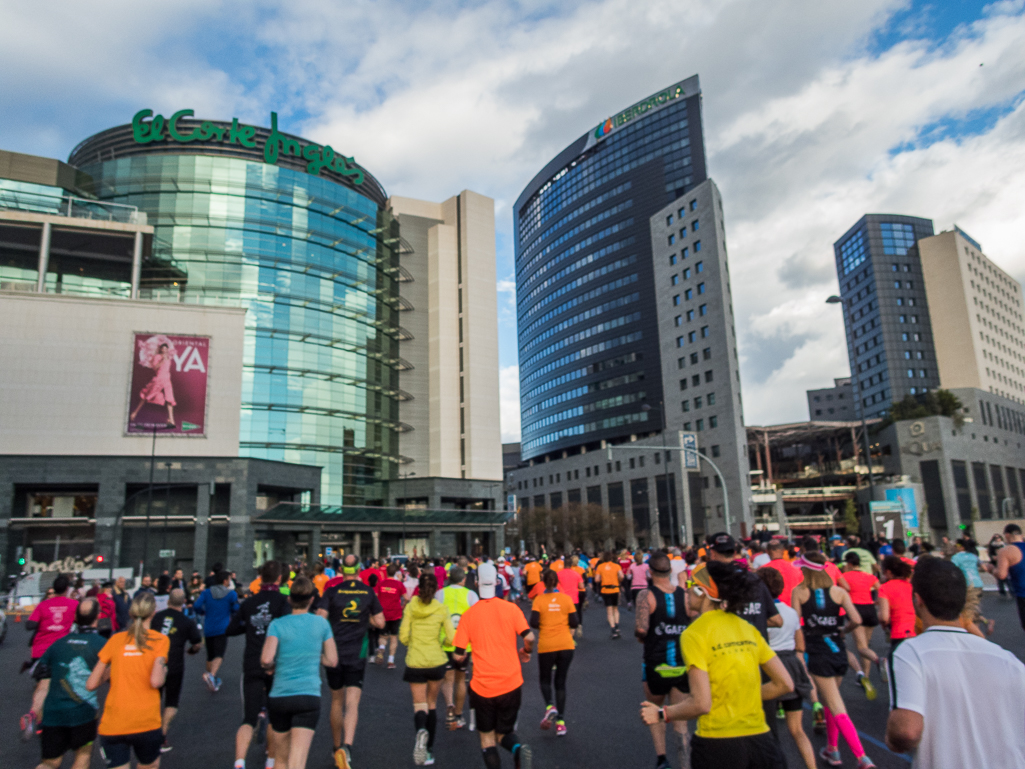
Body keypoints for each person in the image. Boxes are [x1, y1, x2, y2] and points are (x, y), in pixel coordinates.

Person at [640, 561, 793, 769]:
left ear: (701, 592)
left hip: (717, 743)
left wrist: (661, 714)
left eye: (690, 585)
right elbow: (784, 684)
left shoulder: (695, 633)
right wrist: (740, 696)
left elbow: (702, 703)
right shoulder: (746, 627)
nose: (685, 591)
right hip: (761, 741)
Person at [886, 557, 1025, 768]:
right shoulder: (1007, 659)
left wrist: (892, 739)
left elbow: (906, 731)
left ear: (917, 599)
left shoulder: (911, 652)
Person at [790, 552, 875, 768]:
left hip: (817, 651)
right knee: (830, 701)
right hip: (838, 649)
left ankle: (862, 758)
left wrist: (798, 650)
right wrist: (843, 629)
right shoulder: (839, 592)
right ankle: (832, 749)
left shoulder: (799, 592)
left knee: (837, 706)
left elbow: (795, 623)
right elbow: (856, 619)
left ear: (805, 571)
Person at [452, 561, 535, 769]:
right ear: (497, 582)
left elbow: (459, 655)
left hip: (483, 687)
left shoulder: (469, 615)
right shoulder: (511, 609)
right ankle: (517, 749)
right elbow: (530, 637)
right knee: (504, 733)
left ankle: (514, 752)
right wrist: (526, 652)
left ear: (476, 583)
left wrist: (459, 658)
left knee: (487, 739)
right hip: (511, 683)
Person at [86, 591, 170, 769]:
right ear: (154, 612)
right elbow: (156, 681)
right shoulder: (160, 640)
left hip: (114, 723)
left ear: (131, 613)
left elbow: (91, 684)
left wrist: (118, 666)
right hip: (145, 721)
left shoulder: (116, 640)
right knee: (149, 765)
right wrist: (163, 668)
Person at [261, 577, 337, 769]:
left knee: (280, 759)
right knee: (297, 761)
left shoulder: (277, 624)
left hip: (280, 695)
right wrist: (312, 654)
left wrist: (271, 667)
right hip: (307, 696)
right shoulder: (321, 624)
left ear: (289, 599)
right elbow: (332, 660)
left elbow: (266, 659)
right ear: (312, 600)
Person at [317, 553, 385, 769]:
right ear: (358, 570)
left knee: (336, 701)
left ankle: (336, 746)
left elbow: (320, 619)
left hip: (334, 653)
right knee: (352, 703)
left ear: (341, 571)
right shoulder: (368, 592)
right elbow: (381, 623)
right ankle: (347, 746)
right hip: (358, 652)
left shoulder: (331, 591)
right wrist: (366, 619)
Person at [227, 560, 292, 769]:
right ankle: (271, 761)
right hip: (276, 663)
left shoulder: (249, 602)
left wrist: (251, 626)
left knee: (248, 718)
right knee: (276, 718)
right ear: (279, 579)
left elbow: (231, 629)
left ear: (260, 578)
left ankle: (239, 762)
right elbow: (287, 631)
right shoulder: (284, 602)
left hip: (252, 662)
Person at [33, 598, 107, 769]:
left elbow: (42, 685)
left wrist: (35, 711)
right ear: (98, 616)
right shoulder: (103, 645)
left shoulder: (57, 644)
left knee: (50, 762)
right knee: (83, 755)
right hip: (83, 713)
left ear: (75, 617)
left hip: (53, 715)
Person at [635, 553, 690, 769]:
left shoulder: (646, 596)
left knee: (655, 710)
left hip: (655, 664)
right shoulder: (684, 596)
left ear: (650, 572)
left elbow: (641, 628)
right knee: (680, 718)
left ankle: (662, 759)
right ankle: (684, 762)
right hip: (680, 663)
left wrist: (643, 636)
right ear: (670, 572)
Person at [757, 567, 816, 769]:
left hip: (769, 668)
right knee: (797, 729)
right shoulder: (790, 612)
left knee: (769, 729)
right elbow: (800, 645)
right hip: (791, 663)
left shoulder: (760, 615)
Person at [399, 571, 455, 765]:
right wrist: (438, 640)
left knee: (419, 704)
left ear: (419, 588)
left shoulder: (410, 607)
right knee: (432, 704)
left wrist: (413, 642)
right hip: (436, 661)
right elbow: (450, 637)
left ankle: (420, 731)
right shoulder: (441, 609)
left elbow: (403, 636)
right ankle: (429, 749)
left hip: (415, 660)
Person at [22, 573, 79, 739]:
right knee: (66, 685)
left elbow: (29, 625)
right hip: (62, 650)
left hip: (40, 651)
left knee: (42, 687)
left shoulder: (43, 605)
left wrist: (47, 623)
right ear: (67, 589)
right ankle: (66, 721)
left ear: (53, 588)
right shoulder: (73, 604)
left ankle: (36, 718)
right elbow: (82, 621)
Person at [151, 588, 203, 752]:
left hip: (153, 664)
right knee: (172, 701)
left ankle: (148, 729)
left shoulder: (157, 617)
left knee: (153, 697)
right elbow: (197, 643)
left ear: (168, 601)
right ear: (184, 603)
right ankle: (162, 735)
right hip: (174, 665)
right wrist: (192, 651)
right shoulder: (187, 622)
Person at [530, 569, 577, 738]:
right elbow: (574, 621)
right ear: (557, 582)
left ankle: (550, 706)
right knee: (561, 682)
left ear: (543, 582)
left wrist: (545, 621)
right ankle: (561, 723)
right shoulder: (566, 599)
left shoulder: (539, 600)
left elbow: (533, 623)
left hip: (547, 645)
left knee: (544, 679)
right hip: (565, 644)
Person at [706, 533, 781, 639]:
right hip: (758, 650)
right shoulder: (755, 579)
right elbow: (776, 620)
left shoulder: (710, 580)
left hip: (730, 648)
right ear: (734, 553)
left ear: (712, 554)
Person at [438, 566, 479, 731]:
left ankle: (449, 705)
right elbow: (477, 618)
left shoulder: (440, 593)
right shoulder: (471, 595)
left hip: (445, 642)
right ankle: (459, 714)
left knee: (447, 679)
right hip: (464, 644)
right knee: (461, 680)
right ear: (463, 580)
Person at [840, 550, 884, 699]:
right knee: (866, 645)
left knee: (861, 647)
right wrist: (877, 601)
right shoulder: (869, 576)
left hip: (856, 610)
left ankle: (878, 660)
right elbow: (881, 588)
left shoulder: (845, 577)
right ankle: (866, 676)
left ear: (850, 563)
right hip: (870, 609)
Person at [193, 569, 240, 691]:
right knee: (219, 654)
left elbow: (197, 606)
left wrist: (203, 612)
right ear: (225, 581)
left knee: (210, 655)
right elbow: (235, 608)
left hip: (208, 627)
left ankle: (211, 677)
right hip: (222, 627)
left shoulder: (206, 592)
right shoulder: (231, 594)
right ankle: (212, 676)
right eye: (229, 580)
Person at [129, 339, 177, 427]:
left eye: (166, 349)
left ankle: (171, 420)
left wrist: (166, 359)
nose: (165, 351)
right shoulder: (157, 357)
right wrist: (162, 360)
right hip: (159, 379)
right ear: (161, 349)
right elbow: (155, 368)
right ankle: (134, 413)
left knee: (170, 399)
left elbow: (167, 369)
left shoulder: (169, 358)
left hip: (167, 380)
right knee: (147, 395)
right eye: (163, 349)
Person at [951, 538, 994, 635]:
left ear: (961, 547)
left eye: (957, 546)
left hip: (966, 584)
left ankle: (979, 631)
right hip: (978, 583)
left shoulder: (956, 557)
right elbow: (984, 568)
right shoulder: (974, 556)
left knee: (968, 609)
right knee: (974, 607)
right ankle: (984, 624)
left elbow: (953, 570)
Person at [878, 556, 917, 654]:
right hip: (915, 631)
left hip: (898, 633)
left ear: (888, 572)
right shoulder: (910, 585)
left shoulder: (884, 588)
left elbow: (884, 617)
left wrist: (882, 622)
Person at [993, 523, 1025, 630]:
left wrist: (991, 569)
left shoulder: (1006, 551)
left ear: (1007, 535)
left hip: (1023, 593)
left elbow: (1002, 575)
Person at [374, 563, 407, 669]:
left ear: (386, 572)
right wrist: (403, 606)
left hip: (383, 613)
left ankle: (382, 647)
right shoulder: (399, 584)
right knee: (393, 637)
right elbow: (406, 597)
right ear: (396, 573)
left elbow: (375, 596)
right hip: (396, 613)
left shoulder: (380, 583)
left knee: (383, 635)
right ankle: (390, 661)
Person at [762, 540, 802, 607]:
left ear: (767, 552)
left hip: (773, 611)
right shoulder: (797, 569)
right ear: (783, 550)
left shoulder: (763, 570)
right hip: (795, 610)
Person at [595, 552, 623, 638]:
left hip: (605, 590)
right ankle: (617, 625)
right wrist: (618, 580)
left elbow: (597, 580)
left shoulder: (600, 567)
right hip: (615, 589)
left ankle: (613, 629)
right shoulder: (617, 566)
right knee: (616, 609)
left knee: (609, 610)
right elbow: (621, 576)